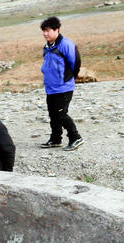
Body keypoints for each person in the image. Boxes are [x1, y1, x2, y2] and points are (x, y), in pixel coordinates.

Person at [40, 16, 84, 151]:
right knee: (53, 114)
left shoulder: (66, 44)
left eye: (48, 30)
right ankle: (55, 139)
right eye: (43, 31)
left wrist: (69, 79)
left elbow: (76, 63)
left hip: (64, 87)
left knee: (61, 114)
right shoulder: (47, 46)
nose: (45, 34)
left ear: (57, 30)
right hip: (51, 87)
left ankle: (75, 137)